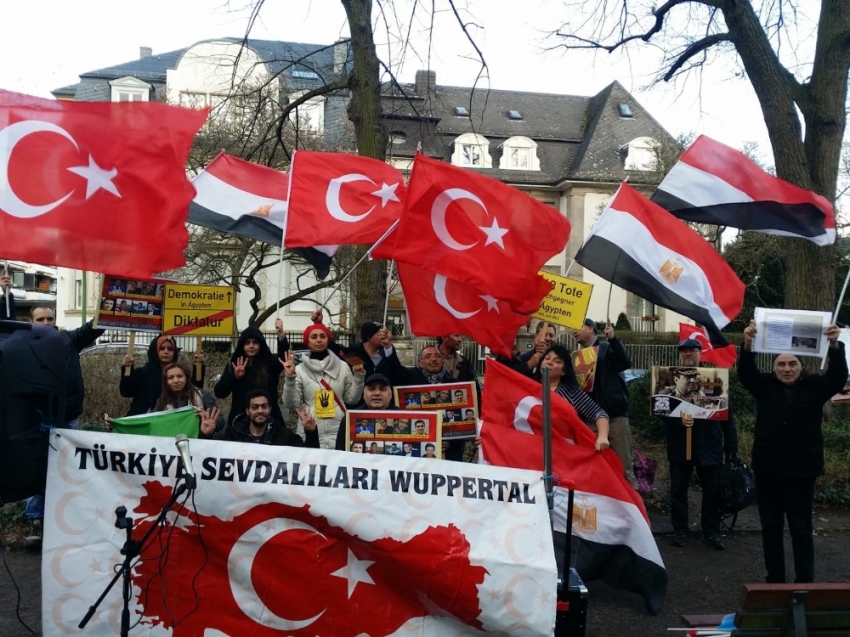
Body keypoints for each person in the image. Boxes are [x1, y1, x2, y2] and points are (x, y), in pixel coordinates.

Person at [739, 320, 846, 583]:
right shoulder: (763, 387)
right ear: (774, 368)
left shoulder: (816, 387)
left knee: (801, 530)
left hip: (802, 472)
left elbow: (838, 377)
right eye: (781, 364)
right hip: (768, 470)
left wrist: (834, 345)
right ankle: (775, 581)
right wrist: (748, 343)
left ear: (801, 366)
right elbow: (745, 372)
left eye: (792, 364)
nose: (787, 369)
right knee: (771, 529)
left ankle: (805, 582)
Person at [23, 304, 105, 551]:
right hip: (39, 417)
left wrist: (108, 299)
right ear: (32, 321)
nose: (47, 322)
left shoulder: (68, 339)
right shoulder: (23, 344)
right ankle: (36, 521)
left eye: (50, 317)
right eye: (41, 319)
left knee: (69, 470)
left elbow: (95, 327)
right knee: (38, 470)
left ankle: (67, 519)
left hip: (68, 416)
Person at [663, 338, 738, 550]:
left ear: (700, 353)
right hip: (680, 445)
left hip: (709, 445)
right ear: (680, 354)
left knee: (712, 491)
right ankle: (680, 529)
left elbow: (727, 416)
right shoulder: (670, 379)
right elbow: (661, 409)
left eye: (692, 350)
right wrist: (678, 420)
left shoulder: (714, 379)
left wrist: (731, 446)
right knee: (678, 490)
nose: (688, 354)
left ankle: (712, 531)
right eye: (684, 351)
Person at [573, 318, 637, 486]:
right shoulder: (577, 356)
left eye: (578, 327)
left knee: (623, 466)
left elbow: (624, 363)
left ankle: (632, 507)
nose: (574, 331)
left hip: (615, 418)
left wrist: (614, 340)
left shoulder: (607, 348)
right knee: (593, 467)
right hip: (590, 419)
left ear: (590, 329)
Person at [283, 322, 365, 449]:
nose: (319, 340)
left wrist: (359, 377)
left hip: (340, 432)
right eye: (314, 337)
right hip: (310, 432)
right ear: (307, 342)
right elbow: (291, 404)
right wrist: (289, 378)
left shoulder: (343, 366)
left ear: (328, 340)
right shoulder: (298, 370)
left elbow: (352, 399)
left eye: (323, 336)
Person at [534, 344, 611, 452]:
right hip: (534, 448)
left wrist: (602, 436)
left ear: (564, 371)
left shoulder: (570, 392)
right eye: (547, 358)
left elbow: (599, 414)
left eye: (557, 361)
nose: (549, 362)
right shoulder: (529, 387)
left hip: (563, 451)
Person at [214, 321, 288, 428]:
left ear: (261, 344)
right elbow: (219, 392)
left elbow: (284, 359)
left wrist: (281, 335)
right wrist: (235, 377)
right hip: (240, 421)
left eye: (255, 342)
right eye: (247, 343)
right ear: (242, 345)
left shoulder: (270, 364)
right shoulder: (234, 365)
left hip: (269, 420)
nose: (251, 346)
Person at [121, 335, 205, 416]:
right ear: (155, 350)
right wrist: (127, 369)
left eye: (170, 349)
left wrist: (198, 366)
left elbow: (195, 389)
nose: (166, 352)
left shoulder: (179, 374)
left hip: (172, 421)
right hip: (143, 422)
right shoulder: (142, 373)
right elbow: (126, 392)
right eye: (162, 348)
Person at [220, 389, 317, 447]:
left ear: (270, 409)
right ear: (247, 411)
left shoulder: (286, 436)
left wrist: (311, 433)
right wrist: (205, 434)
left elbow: (308, 459)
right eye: (255, 407)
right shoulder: (231, 436)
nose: (260, 411)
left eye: (264, 406)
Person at [155, 362, 224, 435]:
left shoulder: (203, 395)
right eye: (171, 377)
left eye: (179, 376)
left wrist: (211, 423)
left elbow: (220, 420)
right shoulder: (162, 400)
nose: (176, 381)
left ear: (186, 378)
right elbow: (151, 419)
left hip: (200, 442)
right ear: (166, 381)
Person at [334, 373, 397, 450]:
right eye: (371, 389)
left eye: (382, 389)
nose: (377, 393)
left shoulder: (403, 415)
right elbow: (340, 451)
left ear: (391, 395)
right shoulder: (349, 419)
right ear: (363, 394)